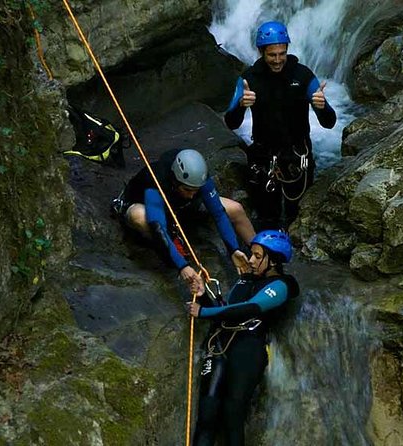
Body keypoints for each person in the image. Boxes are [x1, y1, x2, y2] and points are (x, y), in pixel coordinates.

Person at [187, 230, 299, 445]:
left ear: (273, 261)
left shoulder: (283, 285)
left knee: (233, 415)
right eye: (252, 254)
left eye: (258, 256)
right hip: (220, 345)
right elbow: (227, 312)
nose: (251, 260)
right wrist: (202, 296)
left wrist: (203, 312)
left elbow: (252, 308)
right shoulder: (245, 281)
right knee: (207, 414)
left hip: (249, 348)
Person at [224, 20, 337, 230]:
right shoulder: (249, 79)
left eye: (281, 54)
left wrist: (321, 107)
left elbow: (329, 123)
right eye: (272, 55)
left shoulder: (302, 76)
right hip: (264, 156)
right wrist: (241, 105)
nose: (278, 60)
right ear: (261, 52)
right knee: (268, 217)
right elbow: (231, 123)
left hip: (297, 155)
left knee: (298, 216)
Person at [113, 148, 256, 295]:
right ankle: (173, 238)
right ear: (176, 180)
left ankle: (260, 254)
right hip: (147, 207)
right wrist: (182, 266)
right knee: (140, 217)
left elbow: (219, 213)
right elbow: (158, 227)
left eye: (196, 190)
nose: (191, 194)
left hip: (180, 207)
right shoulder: (155, 182)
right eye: (188, 190)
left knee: (236, 209)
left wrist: (234, 249)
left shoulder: (199, 179)